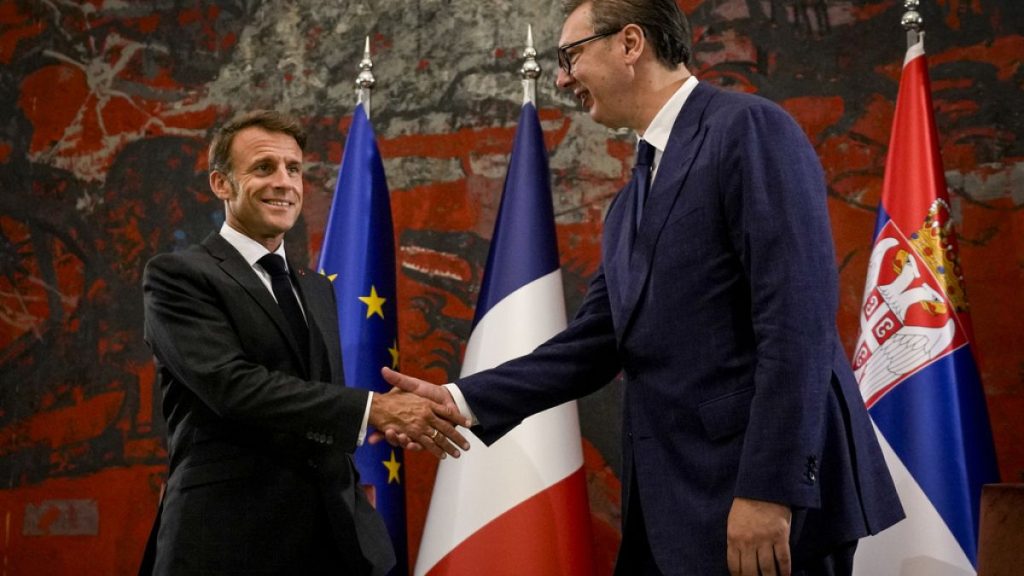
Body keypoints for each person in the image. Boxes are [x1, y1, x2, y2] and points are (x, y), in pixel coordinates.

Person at [380, 1, 904, 575]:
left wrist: (768, 490)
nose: (560, 79)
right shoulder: (631, 198)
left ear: (631, 44)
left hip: (754, 501)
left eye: (569, 56)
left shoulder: (748, 129)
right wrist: (458, 400)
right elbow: (595, 342)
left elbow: (797, 322)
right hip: (672, 505)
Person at [139, 110, 469, 576]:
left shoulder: (315, 287)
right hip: (226, 541)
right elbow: (233, 388)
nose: (284, 182)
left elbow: (316, 403)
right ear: (221, 184)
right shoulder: (179, 276)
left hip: (331, 540)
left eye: (293, 169)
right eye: (263, 168)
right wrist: (372, 409)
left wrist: (371, 425)